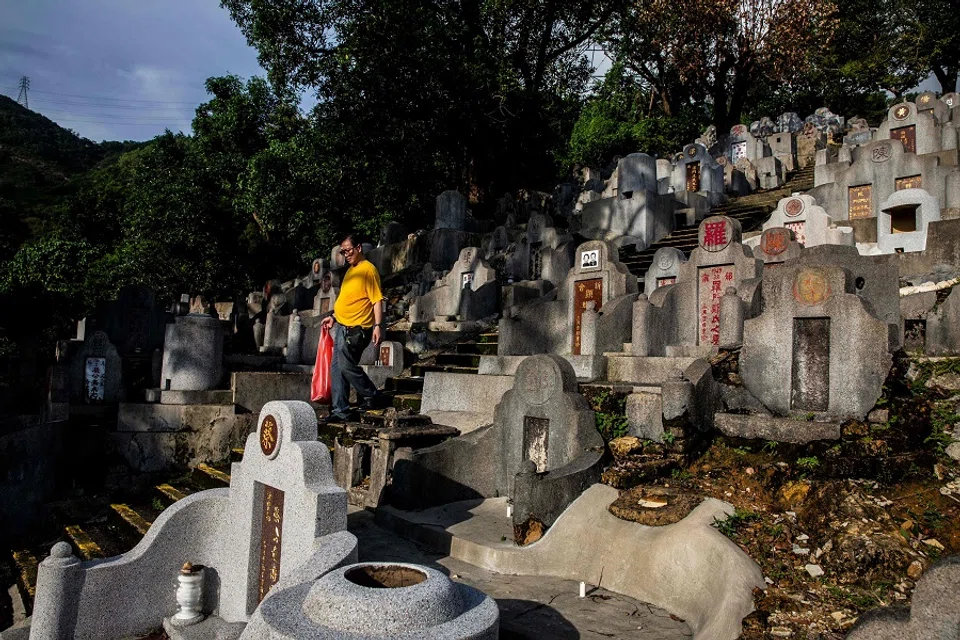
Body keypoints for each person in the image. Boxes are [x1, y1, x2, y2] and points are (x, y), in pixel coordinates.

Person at [320, 234, 385, 422]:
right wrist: (333, 317)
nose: (346, 254)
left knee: (345, 365)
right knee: (336, 368)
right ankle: (340, 410)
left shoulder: (368, 270)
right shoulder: (351, 271)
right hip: (341, 324)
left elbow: (377, 300)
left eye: (348, 250)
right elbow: (347, 299)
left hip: (358, 328)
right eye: (343, 251)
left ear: (358, 248)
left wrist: (378, 326)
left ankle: (372, 395)